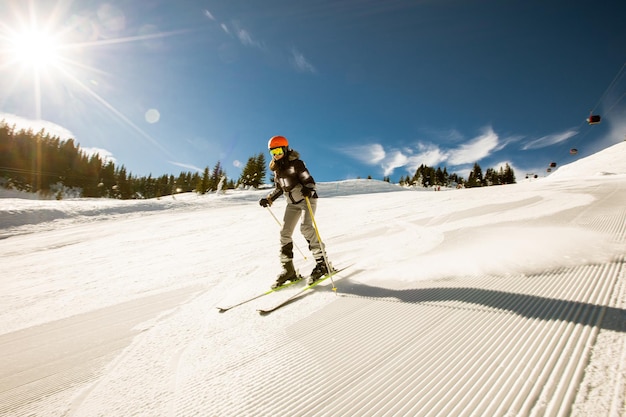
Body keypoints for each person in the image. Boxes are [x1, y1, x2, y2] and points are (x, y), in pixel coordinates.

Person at [259, 135, 329, 288]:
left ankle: (323, 264)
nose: (276, 154)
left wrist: (308, 188)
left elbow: (308, 180)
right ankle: (288, 270)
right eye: (273, 152)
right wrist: (269, 199)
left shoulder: (296, 164)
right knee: (284, 232)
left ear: (285, 149)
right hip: (292, 204)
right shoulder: (277, 169)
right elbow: (279, 189)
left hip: (306, 200)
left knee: (306, 228)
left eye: (278, 150)